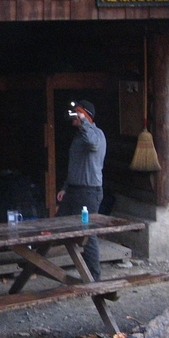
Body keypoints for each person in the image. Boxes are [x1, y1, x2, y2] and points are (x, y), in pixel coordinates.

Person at [56, 100, 106, 280]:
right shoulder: (78, 137)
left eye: (76, 113)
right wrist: (65, 187)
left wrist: (83, 121)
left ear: (86, 115)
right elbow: (76, 166)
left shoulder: (96, 134)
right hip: (74, 191)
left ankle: (94, 277)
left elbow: (92, 144)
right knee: (58, 225)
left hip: (89, 193)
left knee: (88, 234)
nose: (73, 117)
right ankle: (38, 265)